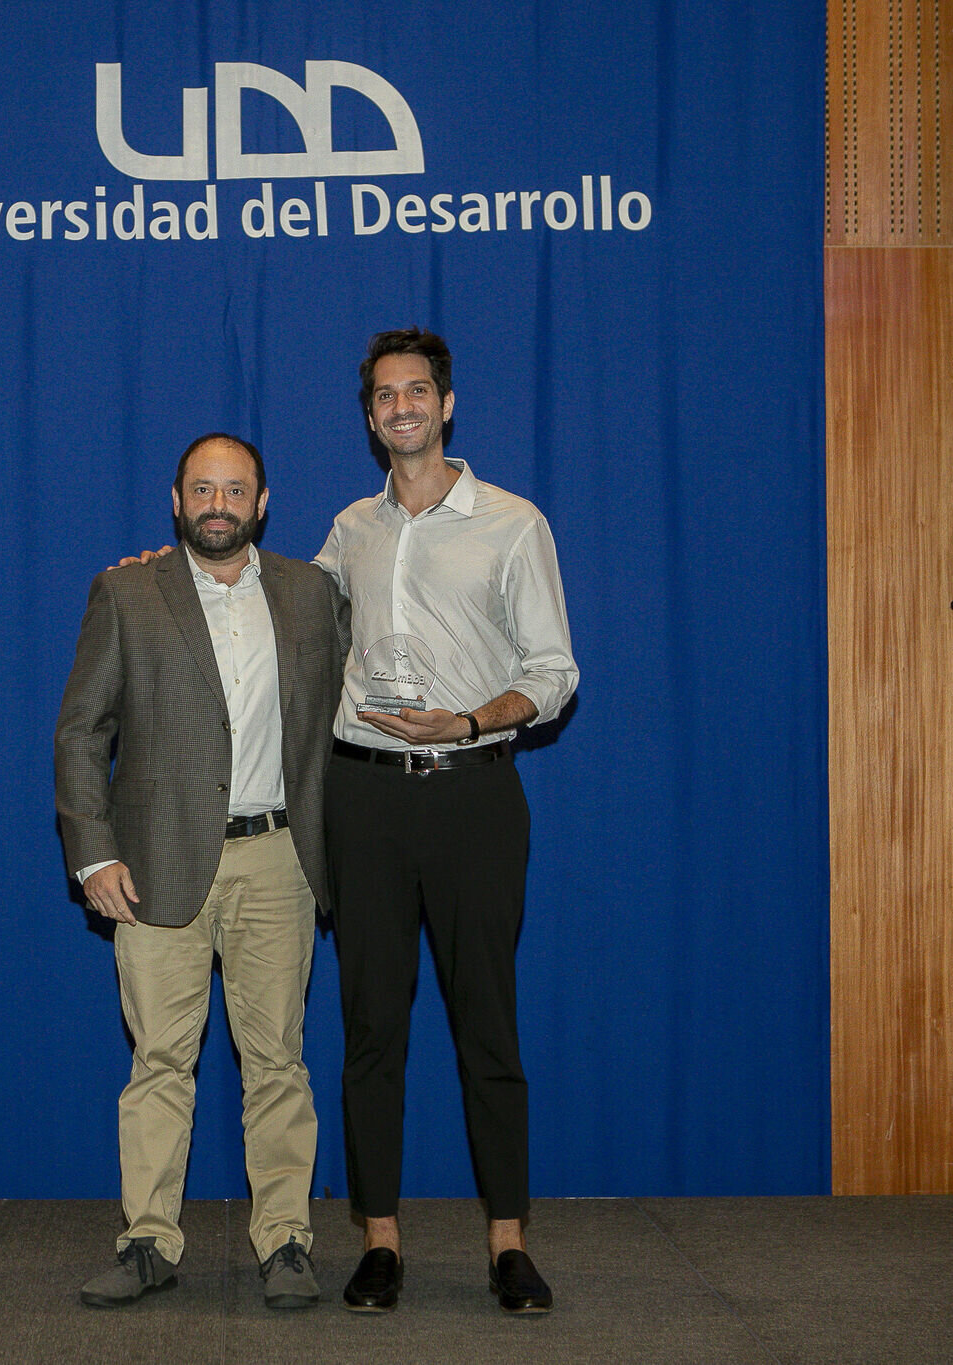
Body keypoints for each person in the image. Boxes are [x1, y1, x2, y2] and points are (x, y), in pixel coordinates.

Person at [316, 328, 577, 1315]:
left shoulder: (512, 524)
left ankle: (509, 1243)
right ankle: (378, 1240)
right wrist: (174, 573)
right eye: (384, 394)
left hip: (473, 794)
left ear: (447, 403)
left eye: (416, 390)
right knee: (370, 1027)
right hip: (364, 799)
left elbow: (553, 673)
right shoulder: (350, 528)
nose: (402, 407)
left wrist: (467, 720)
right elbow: (287, 616)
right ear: (369, 414)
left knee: (487, 1027)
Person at [54, 433, 348, 1310]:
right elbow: (81, 732)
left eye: (236, 489)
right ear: (176, 500)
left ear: (263, 502)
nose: (219, 504)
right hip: (153, 864)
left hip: (281, 861)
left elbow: (356, 703)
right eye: (203, 489)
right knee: (159, 1062)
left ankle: (286, 1242)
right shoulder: (126, 591)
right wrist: (94, 852)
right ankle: (148, 1240)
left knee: (279, 1062)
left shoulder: (313, 593)